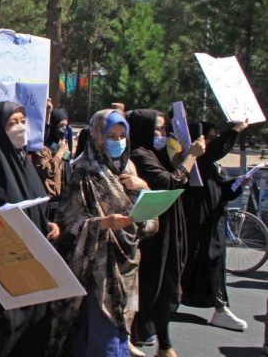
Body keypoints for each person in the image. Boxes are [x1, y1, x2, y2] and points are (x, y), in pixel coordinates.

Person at [48, 109, 157, 357]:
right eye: (111, 135)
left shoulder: (128, 167)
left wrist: (144, 188)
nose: (117, 141)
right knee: (100, 339)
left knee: (119, 332)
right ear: (97, 136)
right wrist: (104, 223)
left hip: (126, 265)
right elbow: (69, 222)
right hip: (97, 271)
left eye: (121, 136)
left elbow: (148, 222)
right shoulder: (83, 171)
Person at [0, 101, 59, 356]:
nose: (20, 128)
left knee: (32, 336)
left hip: (35, 271)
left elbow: (36, 204)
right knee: (4, 337)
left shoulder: (24, 163)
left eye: (22, 121)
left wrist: (48, 224)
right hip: (3, 274)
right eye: (12, 123)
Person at [126, 109, 206, 357]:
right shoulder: (139, 154)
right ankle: (136, 338)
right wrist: (191, 157)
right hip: (153, 233)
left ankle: (165, 344)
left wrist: (183, 154)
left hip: (168, 227)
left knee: (166, 284)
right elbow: (171, 181)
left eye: (164, 129)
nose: (162, 135)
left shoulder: (155, 153)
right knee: (153, 284)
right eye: (157, 130)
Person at [181, 120, 249, 331]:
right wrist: (235, 131)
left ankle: (220, 308)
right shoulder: (193, 161)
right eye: (208, 138)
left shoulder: (208, 165)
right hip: (197, 224)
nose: (210, 143)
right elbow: (215, 151)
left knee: (213, 264)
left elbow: (221, 191)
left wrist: (238, 184)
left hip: (213, 222)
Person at [33, 108, 71, 214]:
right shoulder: (42, 148)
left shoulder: (60, 146)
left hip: (61, 202)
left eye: (66, 126)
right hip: (46, 203)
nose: (63, 129)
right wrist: (60, 153)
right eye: (60, 126)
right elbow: (47, 171)